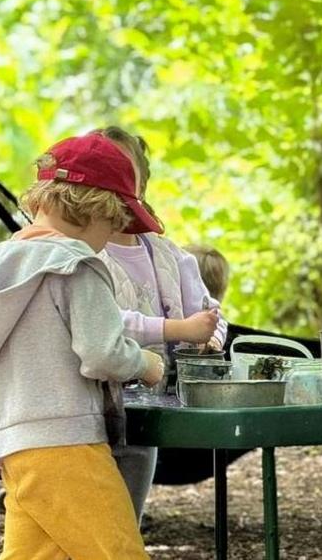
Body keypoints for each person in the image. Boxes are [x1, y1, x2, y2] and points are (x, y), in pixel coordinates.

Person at [0, 132, 166, 560]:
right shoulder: (79, 265)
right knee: (120, 552)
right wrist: (146, 363)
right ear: (100, 208)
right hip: (67, 444)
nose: (111, 238)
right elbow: (102, 353)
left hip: (14, 454)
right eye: (115, 225)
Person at [94, 126, 226, 523]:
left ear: (141, 182)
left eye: (124, 168)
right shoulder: (84, 254)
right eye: (104, 168)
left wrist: (210, 339)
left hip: (150, 411)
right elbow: (103, 324)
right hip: (92, 412)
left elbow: (208, 311)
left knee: (126, 523)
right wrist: (176, 330)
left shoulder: (170, 255)